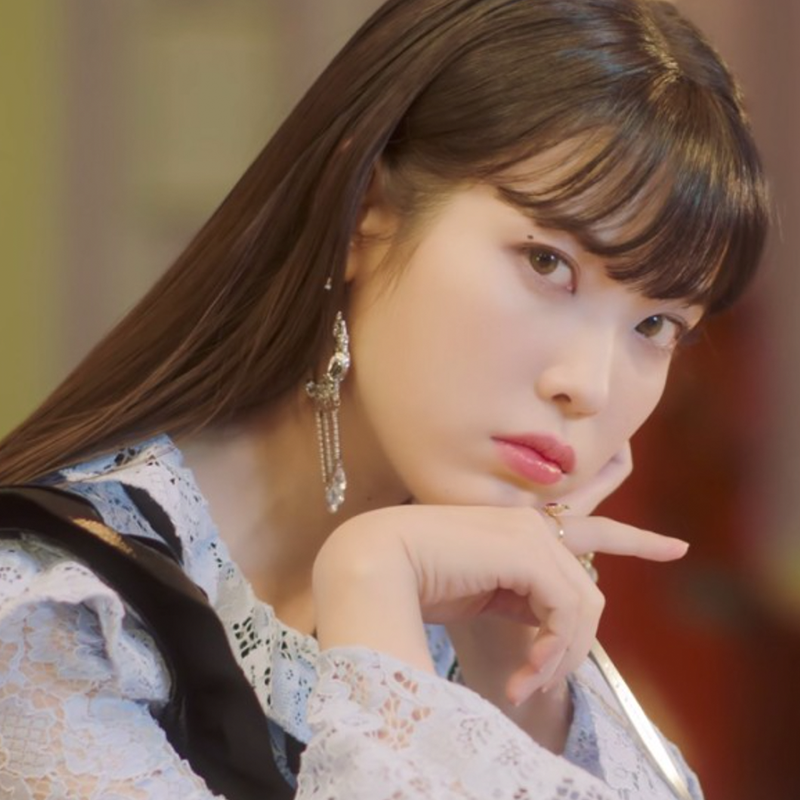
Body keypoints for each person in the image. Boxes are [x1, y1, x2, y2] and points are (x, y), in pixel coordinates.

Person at [0, 0, 767, 798]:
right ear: (364, 209)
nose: (590, 385)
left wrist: (520, 685)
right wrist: (372, 576)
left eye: (655, 324)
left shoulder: (472, 614)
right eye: (547, 263)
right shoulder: (55, 620)